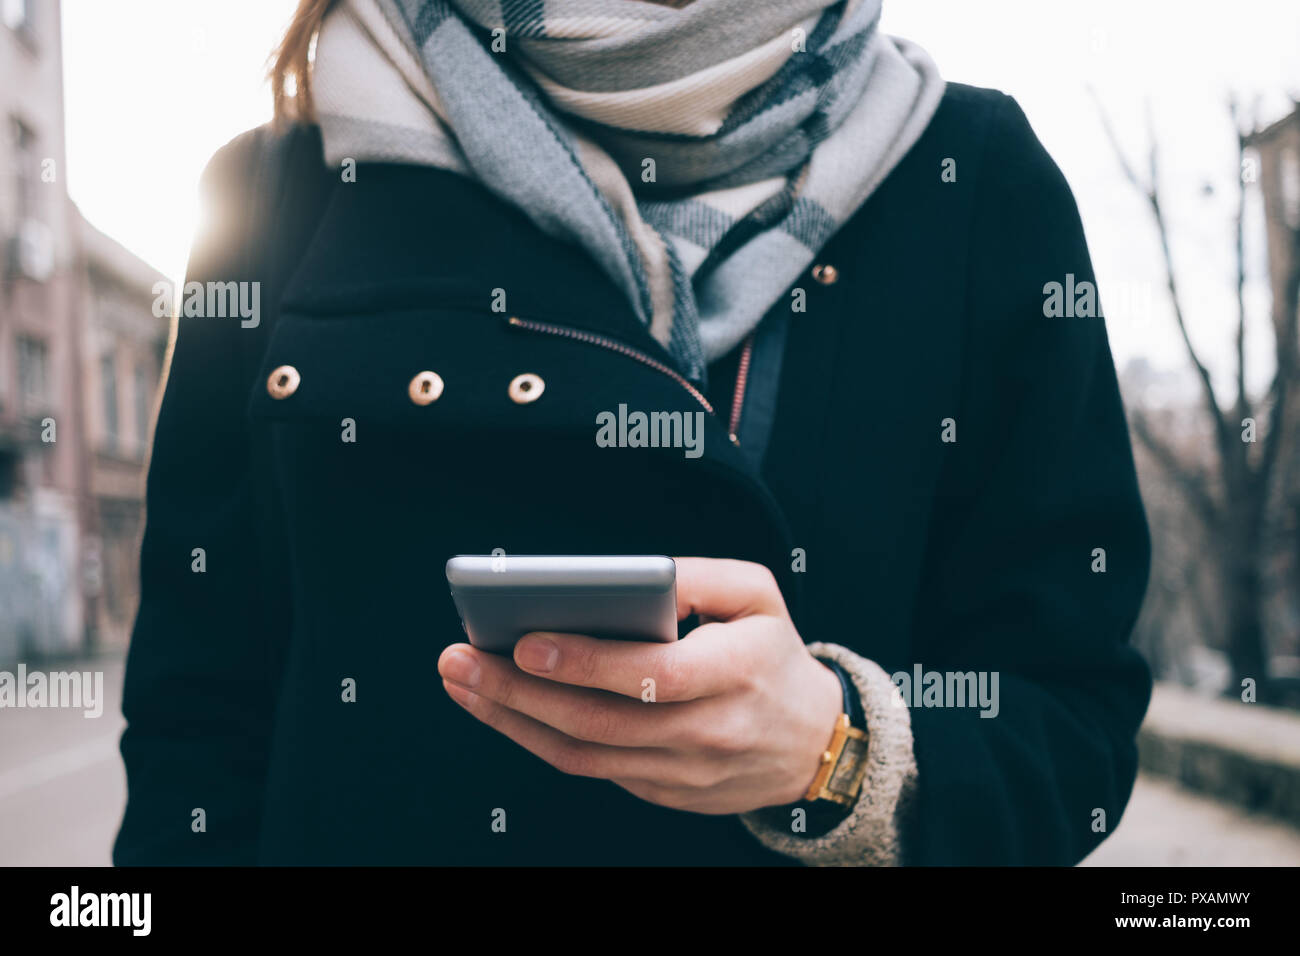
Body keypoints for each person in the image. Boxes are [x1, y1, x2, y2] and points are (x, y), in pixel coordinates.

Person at [113, 0, 1152, 866]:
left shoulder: (972, 179)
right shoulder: (280, 190)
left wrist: (837, 752)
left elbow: (1072, 718)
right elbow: (194, 722)